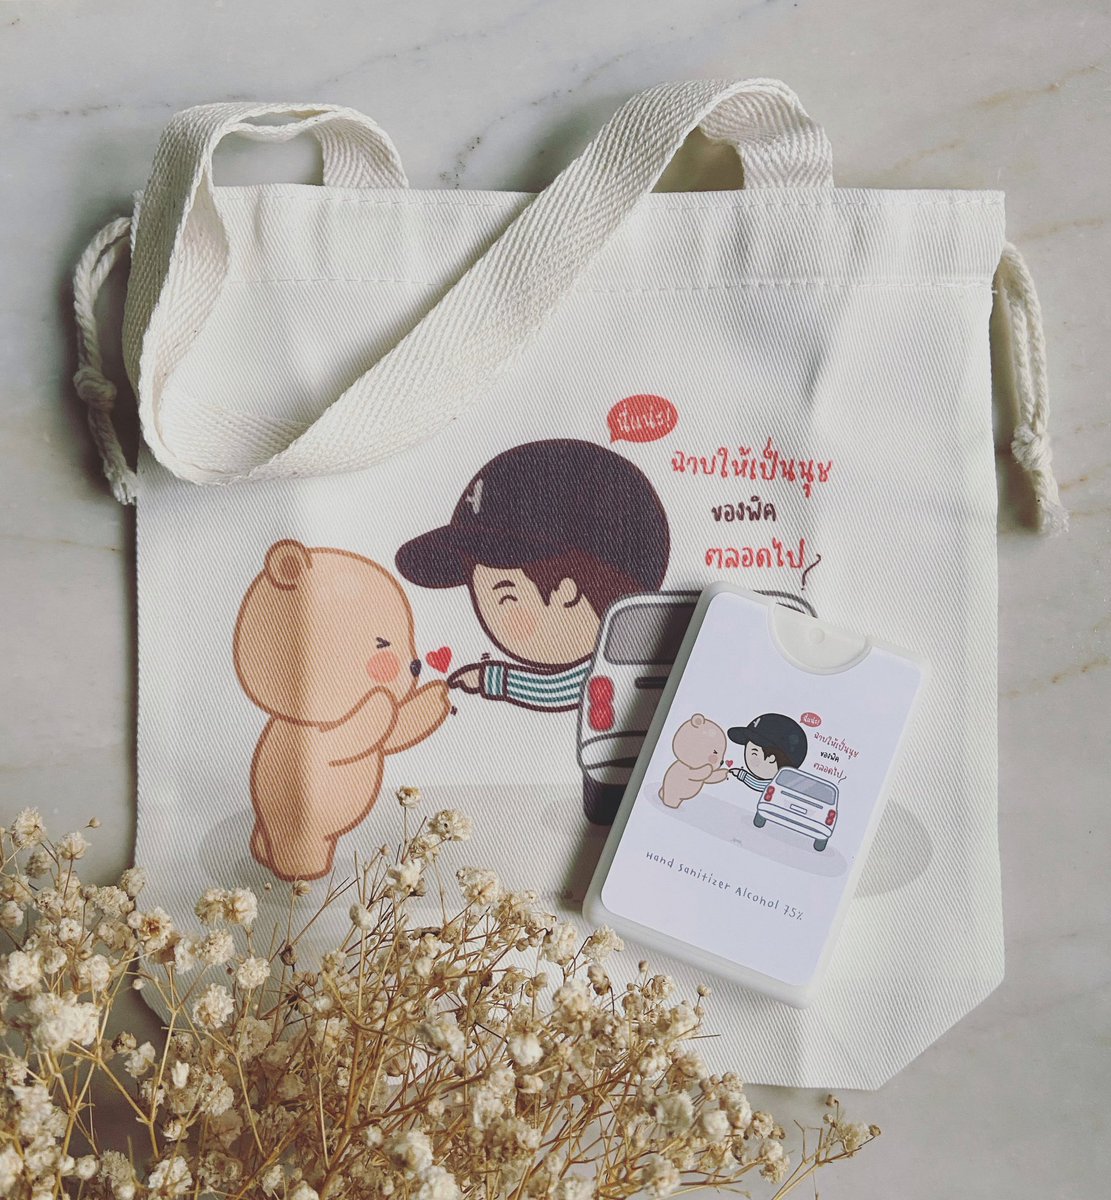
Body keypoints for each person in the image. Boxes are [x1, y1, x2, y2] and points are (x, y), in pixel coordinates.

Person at [395, 439, 670, 713]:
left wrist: (491, 679)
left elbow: (556, 689)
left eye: (505, 597)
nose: (490, 617)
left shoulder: (615, 665)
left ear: (568, 593)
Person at [727, 713, 808, 793]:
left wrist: (741, 774)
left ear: (771, 759)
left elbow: (757, 784)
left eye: (754, 753)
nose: (747, 756)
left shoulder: (777, 785)